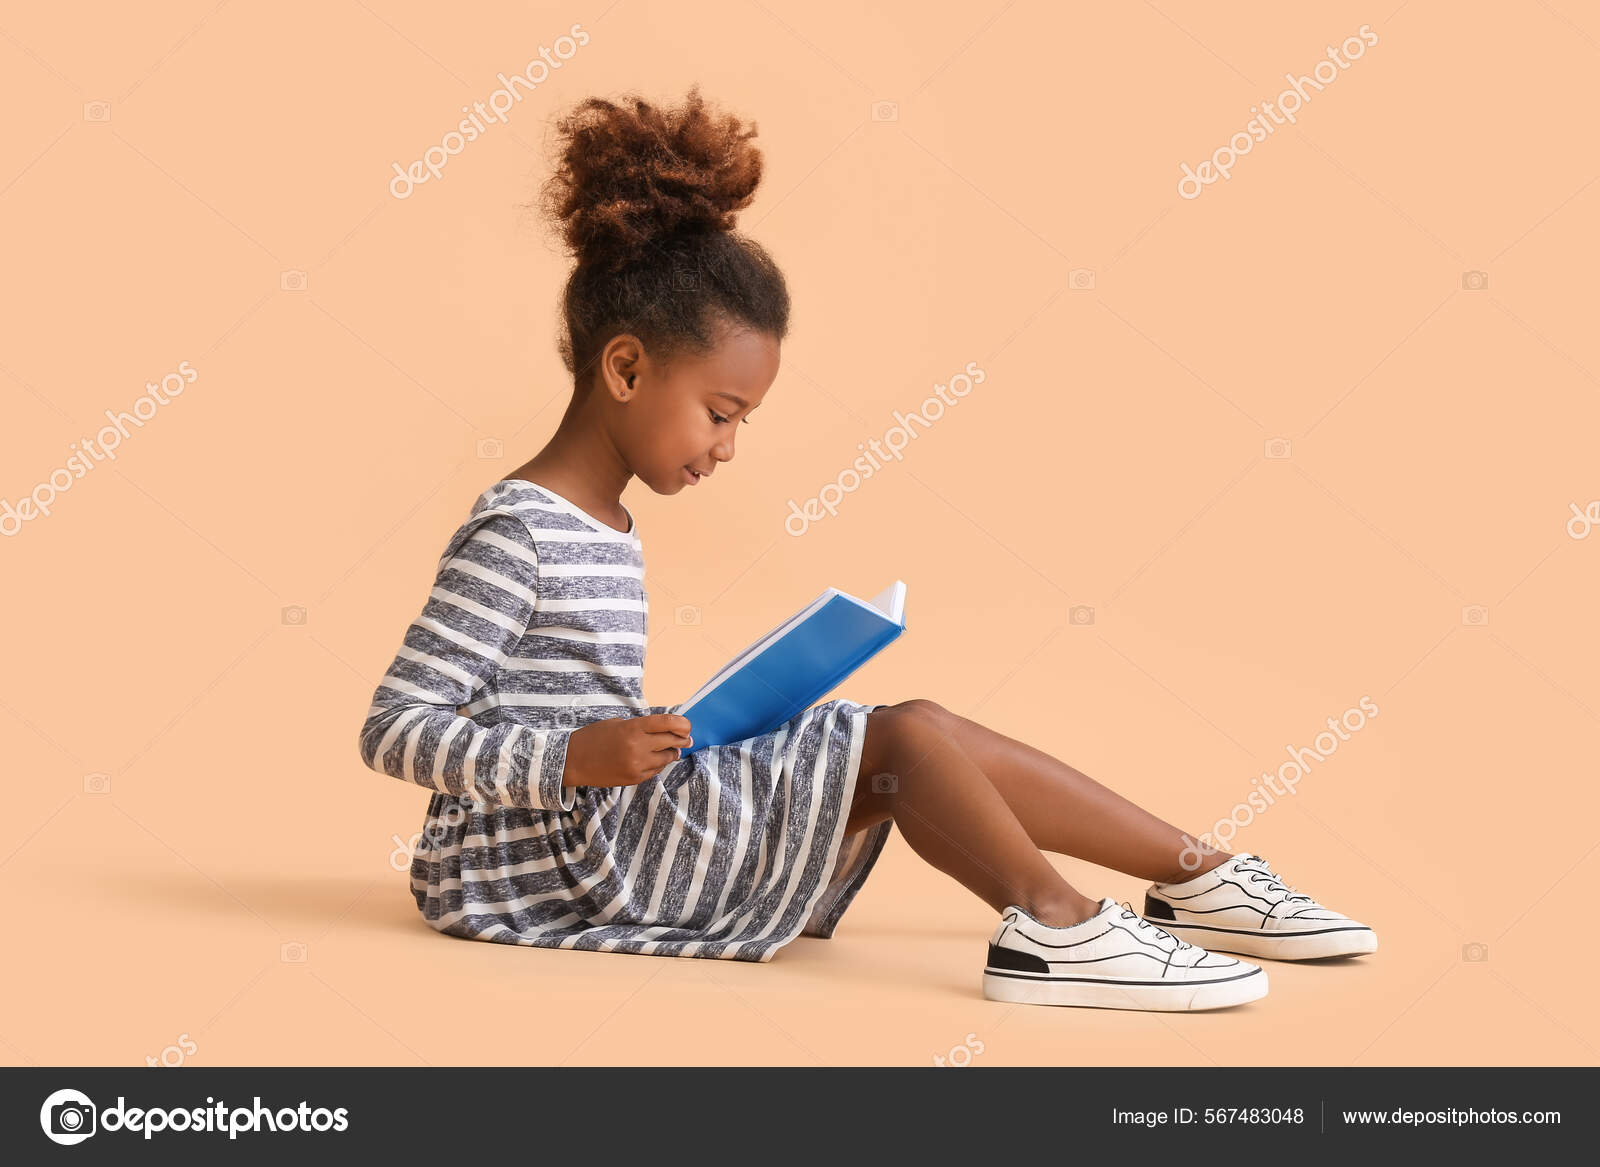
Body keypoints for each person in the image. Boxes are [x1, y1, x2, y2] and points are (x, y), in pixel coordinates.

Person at [356, 84, 1375, 1011]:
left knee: (913, 725)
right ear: (625, 368)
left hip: (597, 828)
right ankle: (1054, 927)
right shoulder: (516, 531)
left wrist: (658, 734)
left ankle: (1199, 875)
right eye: (719, 412)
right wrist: (577, 755)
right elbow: (396, 726)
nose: (727, 446)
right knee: (892, 744)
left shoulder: (606, 526)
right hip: (530, 868)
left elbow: (557, 697)